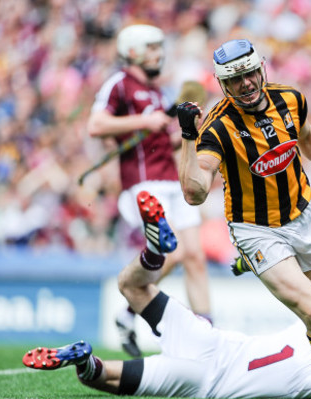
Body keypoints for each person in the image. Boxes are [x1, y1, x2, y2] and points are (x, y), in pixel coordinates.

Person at [22, 191, 311, 399]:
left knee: (132, 286)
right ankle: (83, 361)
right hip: (200, 378)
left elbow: (302, 285)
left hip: (209, 340)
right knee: (99, 379)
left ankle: (152, 253)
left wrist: (251, 263)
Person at [175, 39, 311, 399]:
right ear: (223, 85)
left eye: (250, 74)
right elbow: (194, 194)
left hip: (304, 216)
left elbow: (309, 137)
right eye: (235, 81)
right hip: (256, 229)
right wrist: (188, 137)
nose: (247, 84)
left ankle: (252, 264)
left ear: (261, 69)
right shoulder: (218, 128)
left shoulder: (291, 99)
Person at [86, 24, 211, 358]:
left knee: (195, 257)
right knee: (178, 253)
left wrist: (187, 130)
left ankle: (209, 335)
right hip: (143, 183)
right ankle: (131, 306)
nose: (160, 53)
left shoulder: (158, 92)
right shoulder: (120, 85)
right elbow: (96, 125)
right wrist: (144, 122)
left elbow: (162, 142)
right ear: (134, 51)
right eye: (153, 47)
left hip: (172, 180)